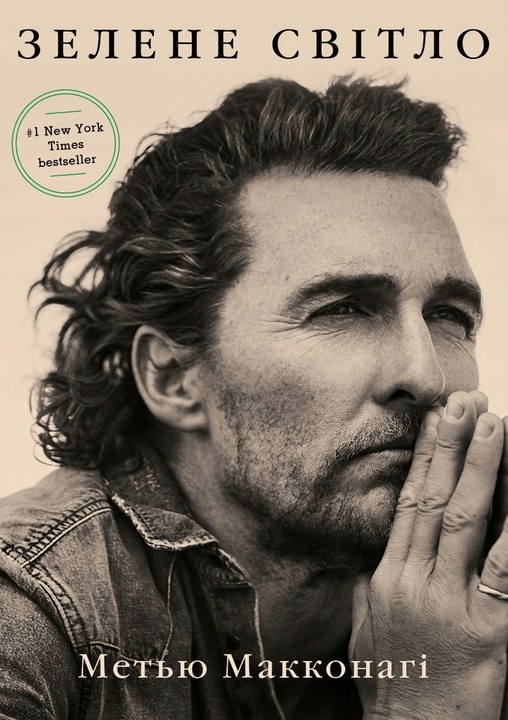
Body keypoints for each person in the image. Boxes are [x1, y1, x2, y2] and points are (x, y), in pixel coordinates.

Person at [0, 76, 507, 720]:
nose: (428, 376)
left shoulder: (491, 589)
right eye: (342, 309)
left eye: (450, 316)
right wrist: (424, 705)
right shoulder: (29, 609)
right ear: (173, 378)